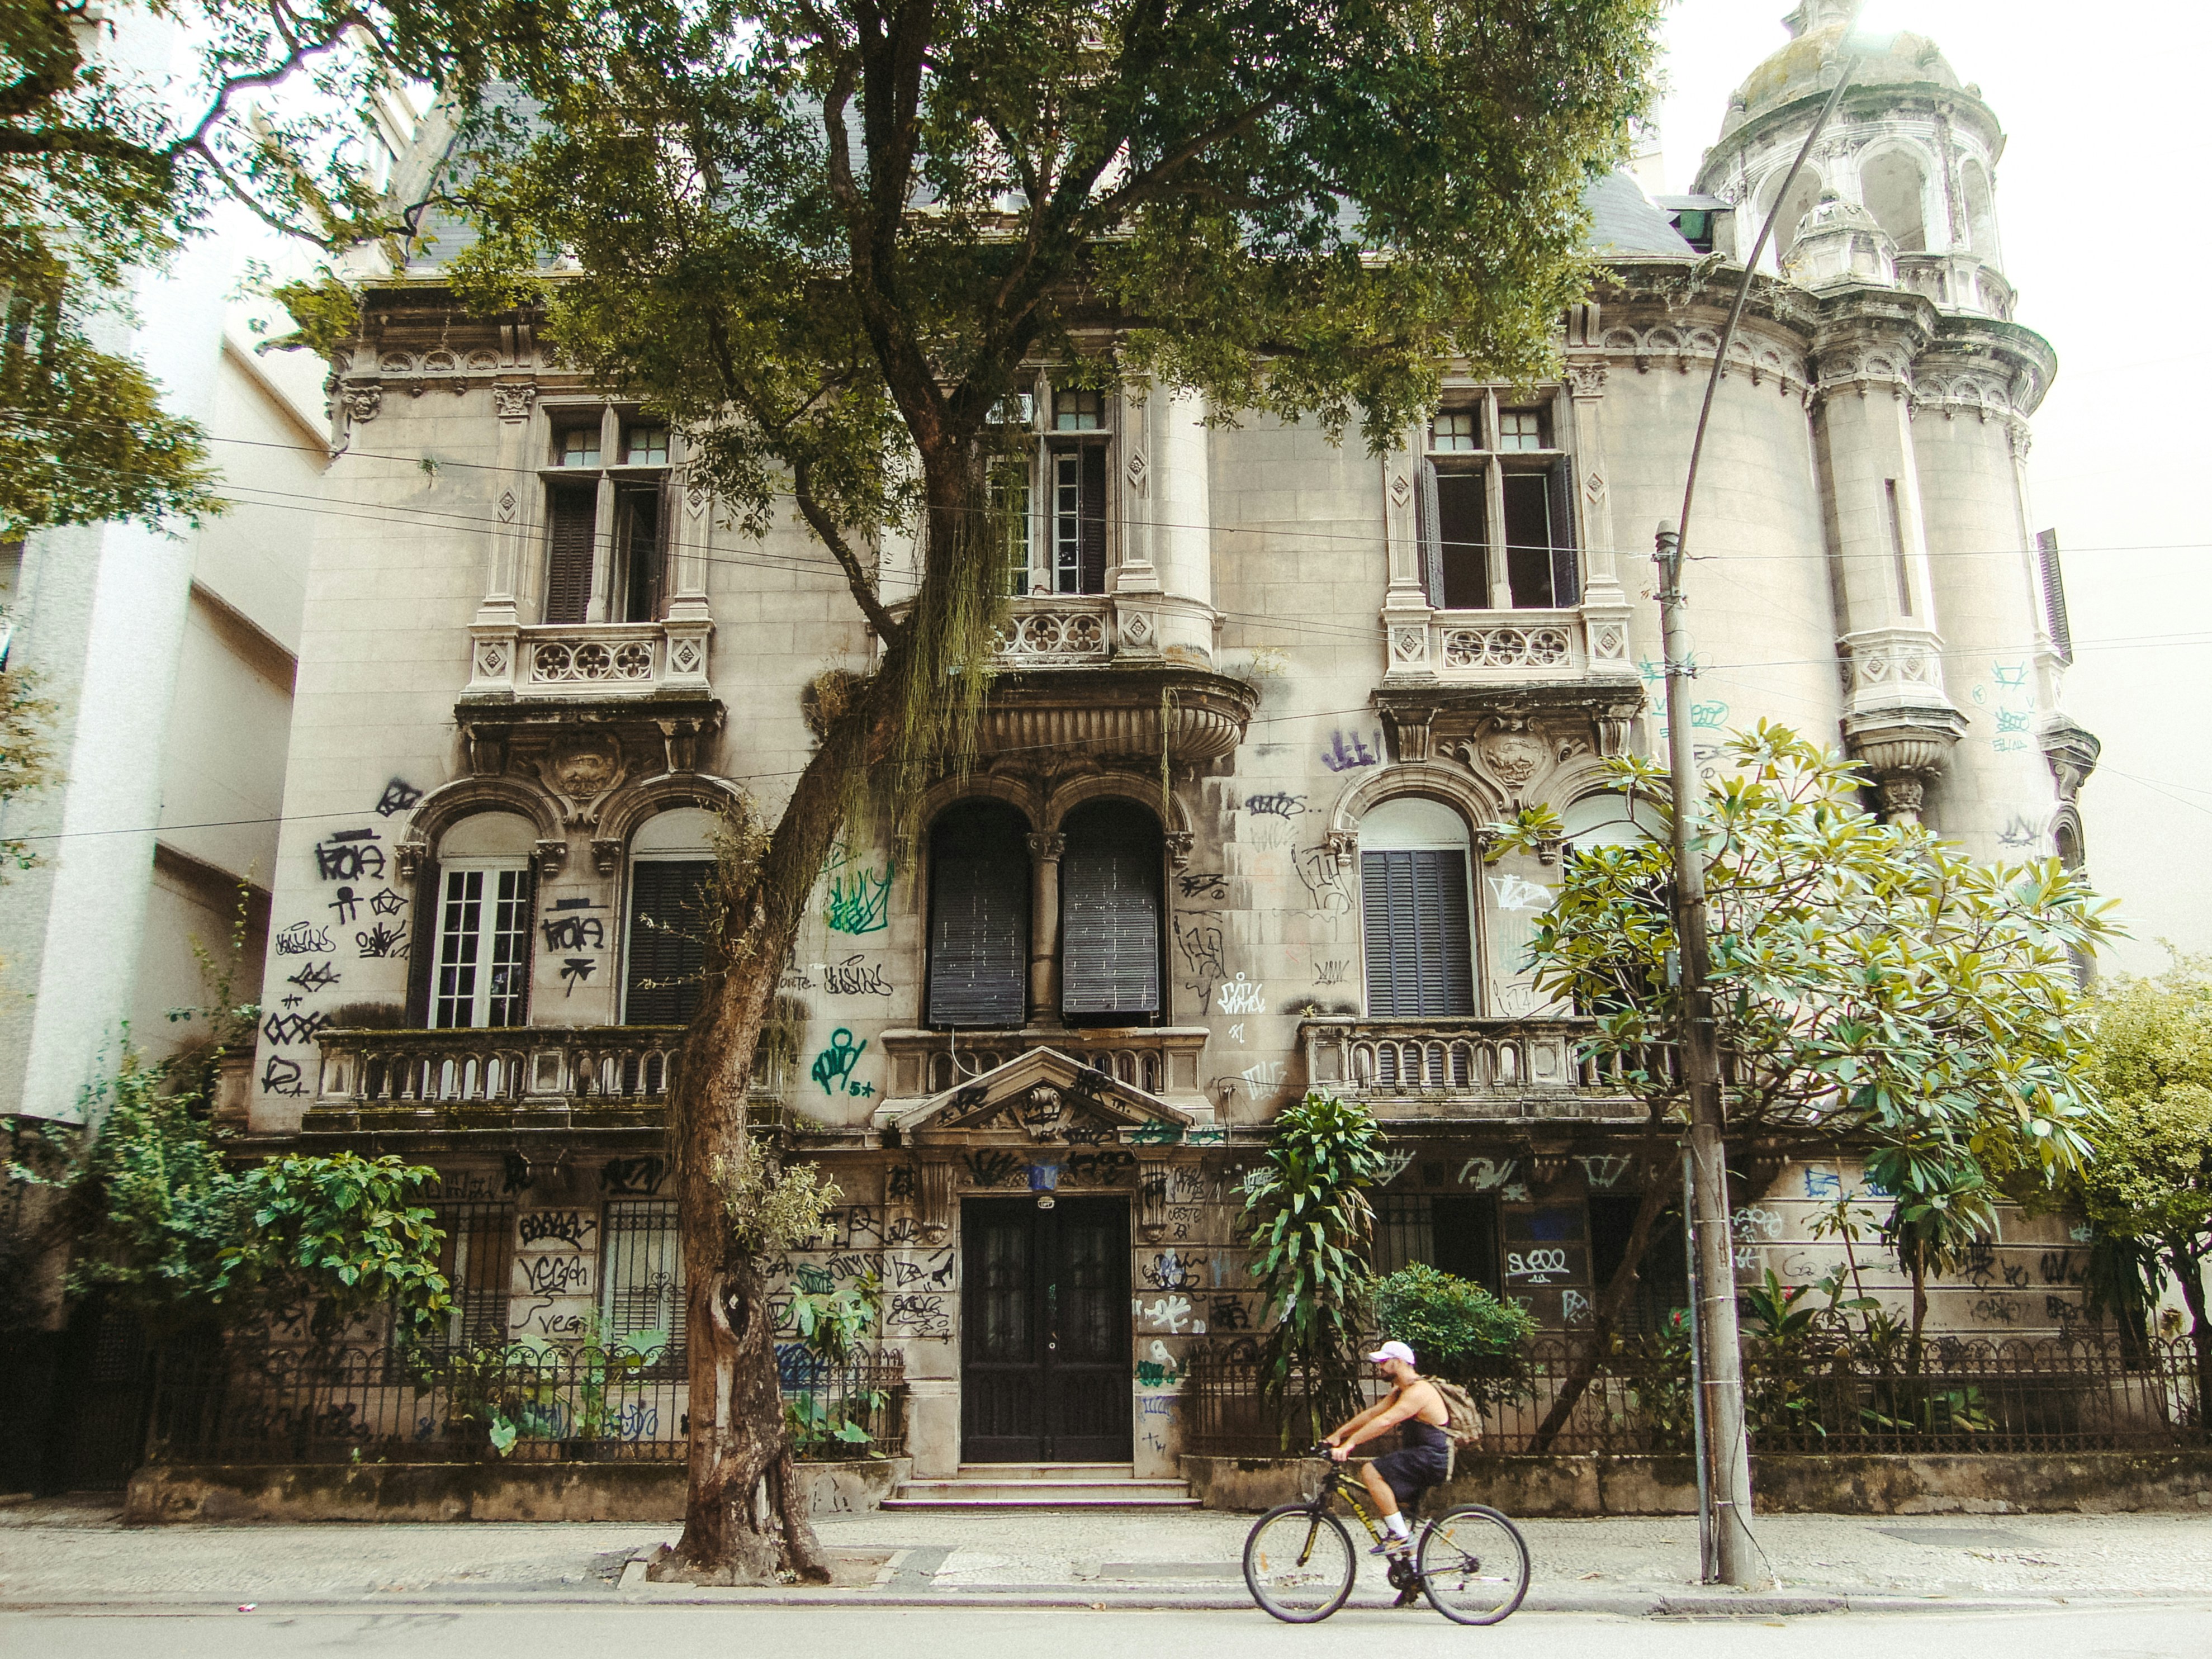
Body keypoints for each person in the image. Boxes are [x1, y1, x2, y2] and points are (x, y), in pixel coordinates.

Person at [1324, 1339, 1452, 1556]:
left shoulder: (1418, 1392)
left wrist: (1350, 1445)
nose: (1380, 1367)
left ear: (1399, 1362)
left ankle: (1400, 1537)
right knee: (1395, 1511)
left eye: (1384, 1361)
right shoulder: (1400, 1390)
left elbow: (1386, 1421)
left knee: (1371, 1472)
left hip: (1431, 1458)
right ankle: (1412, 1577)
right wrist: (1337, 1435)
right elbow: (1373, 1414)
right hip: (1419, 1457)